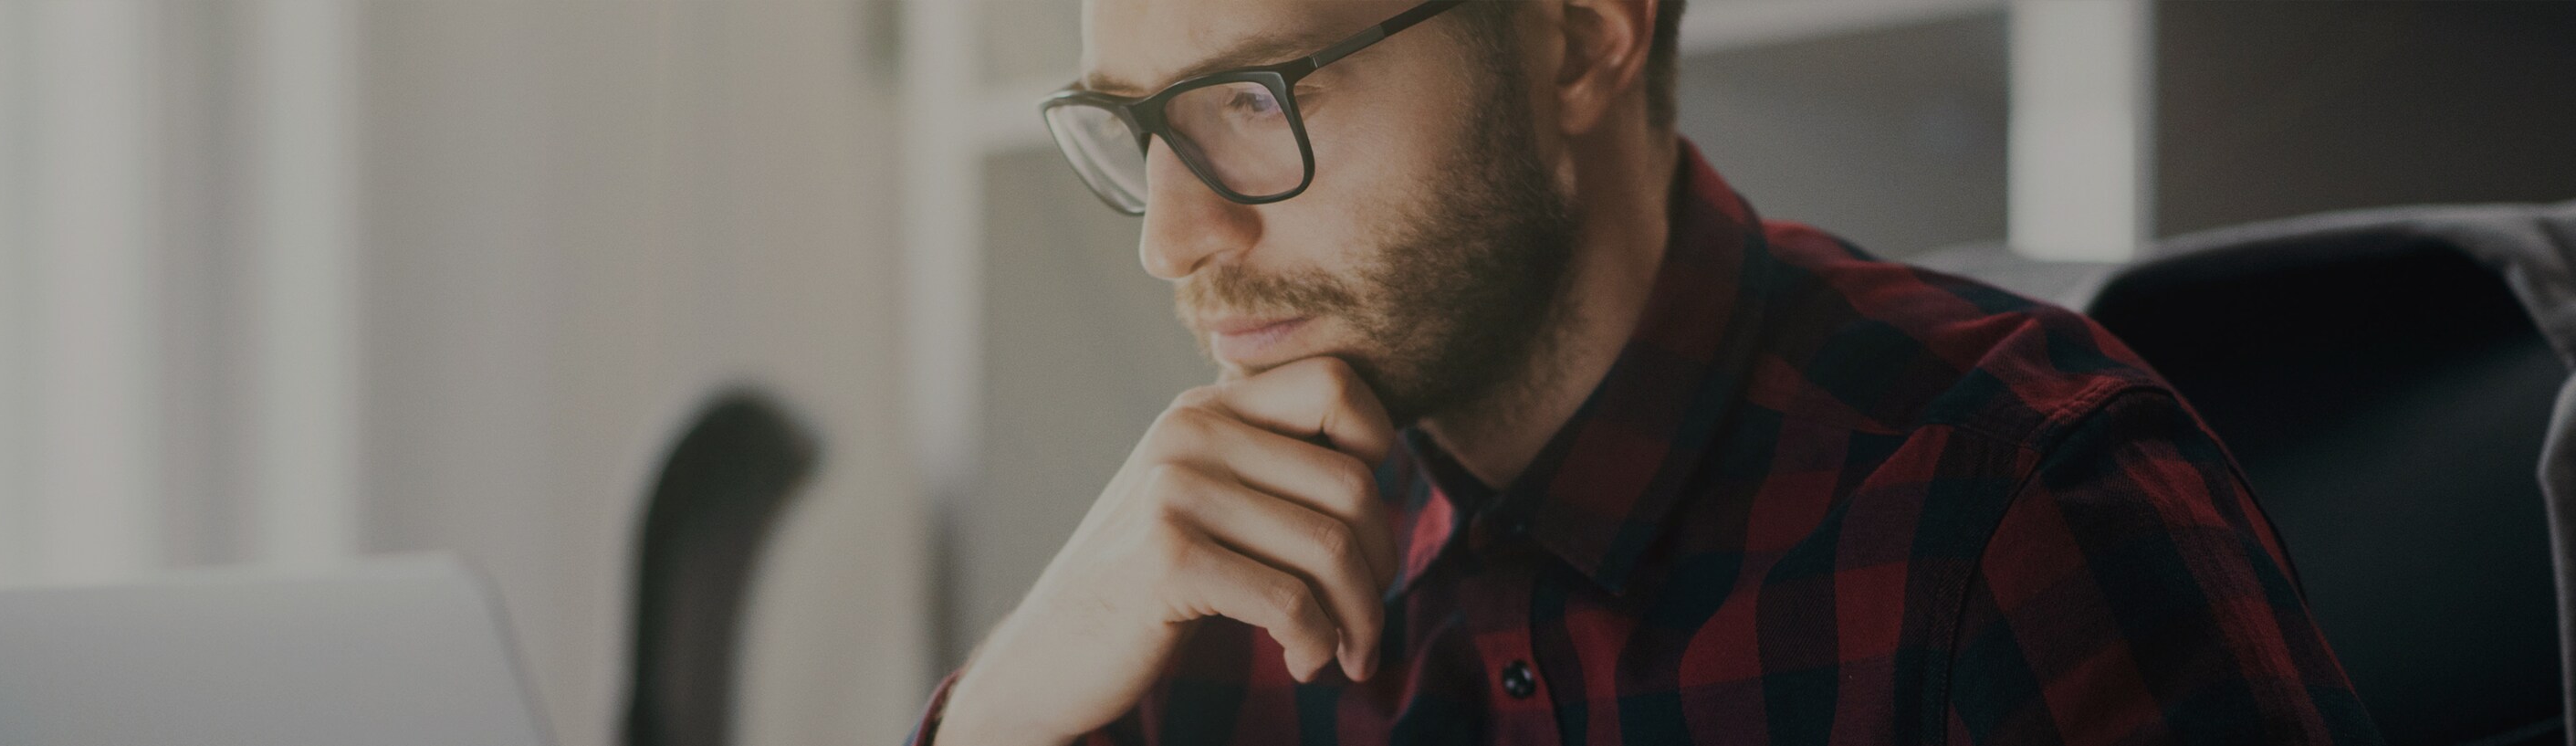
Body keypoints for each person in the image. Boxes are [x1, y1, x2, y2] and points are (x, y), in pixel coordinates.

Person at [913, 0, 2380, 742]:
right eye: (1129, 128)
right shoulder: (1194, 605)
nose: (1173, 239)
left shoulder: (2016, 508)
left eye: (1253, 98)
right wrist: (994, 720)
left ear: (1575, 37)